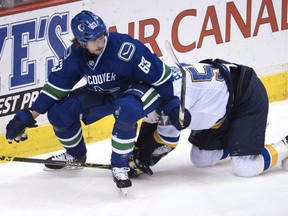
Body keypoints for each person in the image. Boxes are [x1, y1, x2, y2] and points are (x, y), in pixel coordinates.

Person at [5, 10, 183, 191]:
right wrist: (27, 116)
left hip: (135, 91)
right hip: (103, 94)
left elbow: (162, 76)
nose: (100, 42)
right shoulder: (75, 56)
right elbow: (55, 88)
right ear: (81, 42)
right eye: (93, 39)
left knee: (126, 109)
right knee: (60, 113)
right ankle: (76, 156)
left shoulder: (125, 48)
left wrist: (171, 103)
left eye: (101, 36)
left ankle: (120, 165)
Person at [129, 58, 288, 178]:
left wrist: (140, 162)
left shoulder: (175, 98)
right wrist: (135, 152)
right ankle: (242, 140)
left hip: (246, 97)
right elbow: (150, 121)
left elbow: (166, 141)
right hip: (222, 103)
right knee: (201, 159)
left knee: (245, 168)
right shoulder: (153, 84)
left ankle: (284, 145)